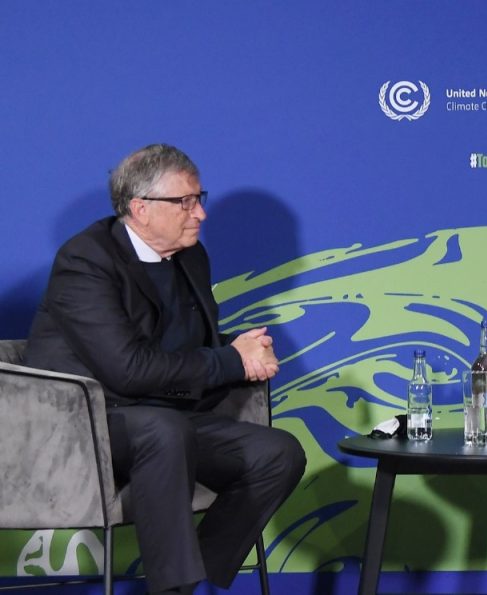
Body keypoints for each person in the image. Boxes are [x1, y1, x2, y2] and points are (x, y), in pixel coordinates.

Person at [24, 144, 306, 594]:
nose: (200, 214)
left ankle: (185, 583)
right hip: (89, 423)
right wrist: (231, 360)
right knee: (164, 430)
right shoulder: (86, 261)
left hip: (169, 416)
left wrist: (244, 349)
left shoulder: (190, 257)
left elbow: (190, 346)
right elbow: (127, 370)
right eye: (185, 202)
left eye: (199, 199)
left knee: (278, 453)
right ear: (140, 208)